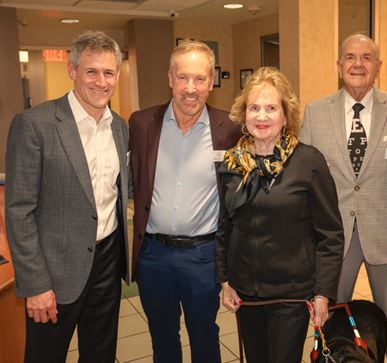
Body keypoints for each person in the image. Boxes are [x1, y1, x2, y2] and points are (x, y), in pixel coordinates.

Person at [5, 31, 129, 363]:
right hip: (54, 273)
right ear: (73, 70)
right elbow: (18, 211)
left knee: (100, 355)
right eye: (91, 71)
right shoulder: (34, 125)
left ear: (117, 74)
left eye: (108, 72)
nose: (101, 81)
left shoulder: (119, 127)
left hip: (107, 263)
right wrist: (34, 284)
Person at [301, 34, 387, 363]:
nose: (358, 64)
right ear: (339, 66)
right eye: (351, 58)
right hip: (332, 238)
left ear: (379, 66)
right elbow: (304, 183)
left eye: (367, 57)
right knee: (328, 317)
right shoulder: (314, 113)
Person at [216, 67, 344, 363]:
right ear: (244, 114)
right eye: (254, 108)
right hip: (245, 292)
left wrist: (323, 292)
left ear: (286, 116)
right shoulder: (234, 162)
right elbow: (225, 226)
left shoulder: (309, 161)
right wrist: (224, 280)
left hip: (291, 294)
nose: (262, 116)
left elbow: (331, 235)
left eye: (271, 108)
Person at [128, 40, 242, 363]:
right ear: (170, 79)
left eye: (199, 79)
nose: (190, 88)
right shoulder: (141, 123)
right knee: (163, 340)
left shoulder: (230, 130)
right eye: (183, 78)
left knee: (205, 340)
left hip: (203, 257)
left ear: (211, 81)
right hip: (153, 256)